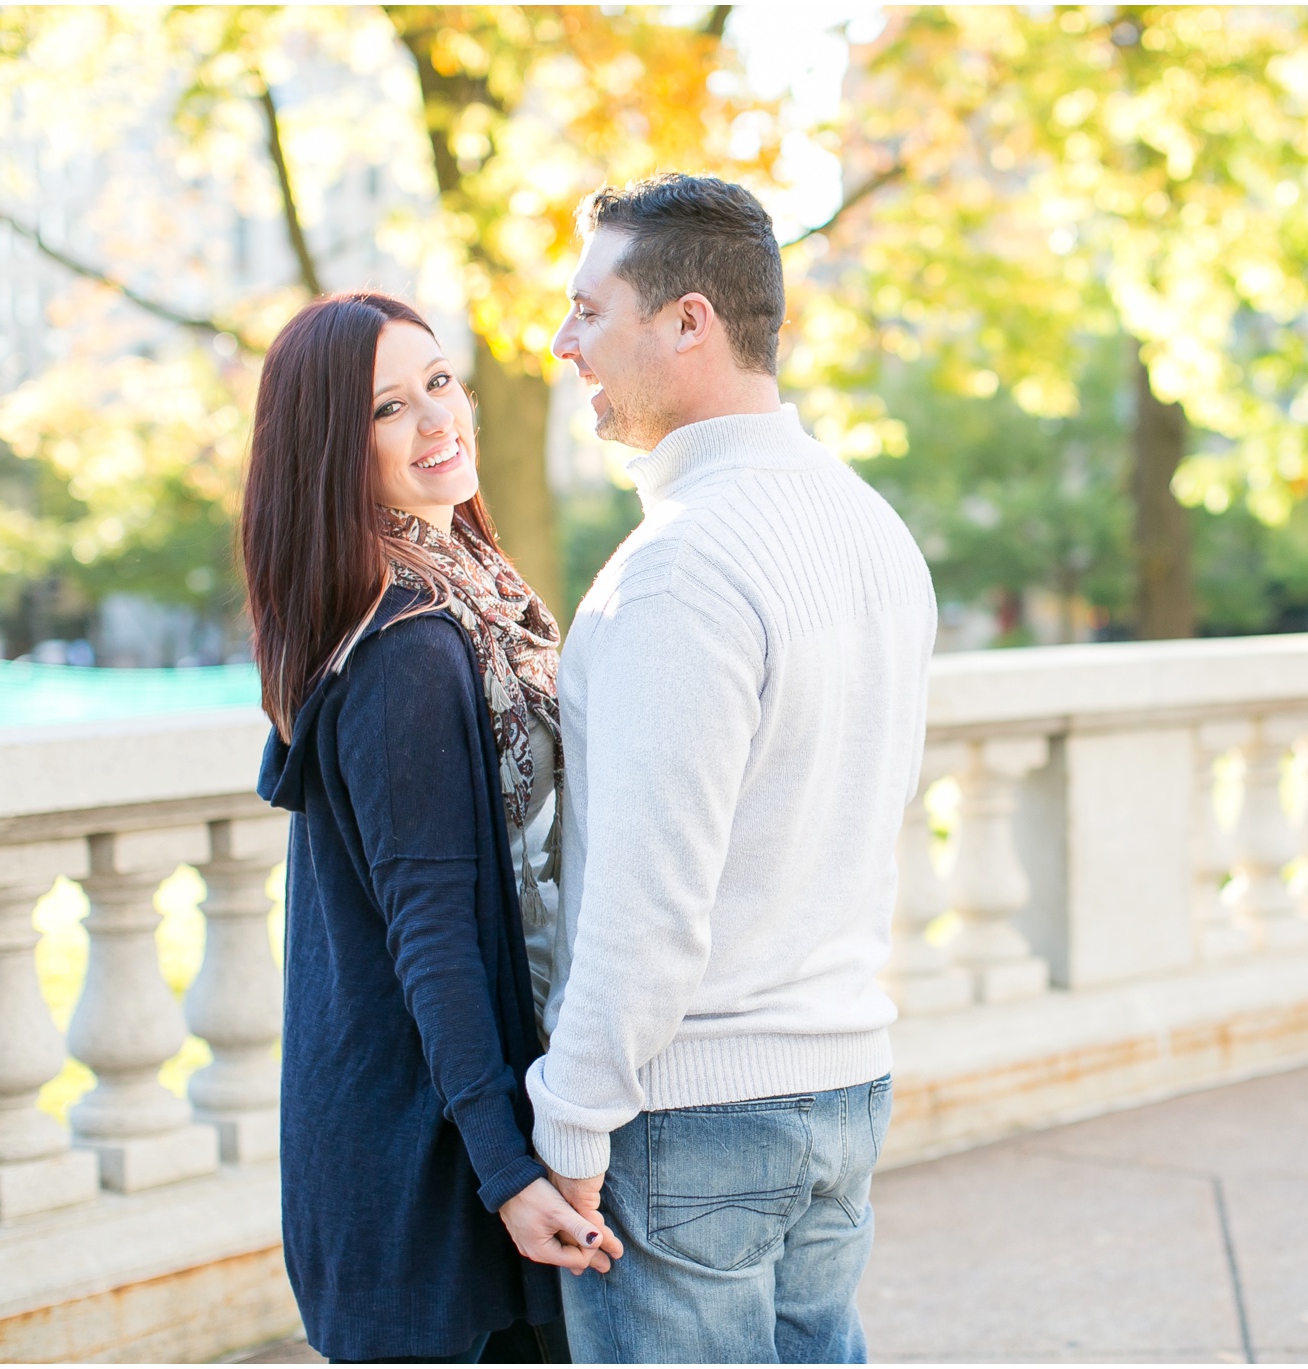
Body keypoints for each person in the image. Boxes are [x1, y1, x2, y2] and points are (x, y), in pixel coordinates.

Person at [525, 173, 937, 1364]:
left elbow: (649, 903)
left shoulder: (680, 568)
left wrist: (571, 1120)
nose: (563, 345)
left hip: (690, 1114)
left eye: (588, 311)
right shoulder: (871, 527)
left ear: (689, 320)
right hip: (844, 1088)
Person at [244, 291, 623, 1364]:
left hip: (440, 1126)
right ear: (329, 446)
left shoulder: (463, 600)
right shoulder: (408, 648)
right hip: (425, 1163)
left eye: (440, 383)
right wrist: (507, 1174)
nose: (436, 421)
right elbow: (431, 933)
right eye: (387, 408)